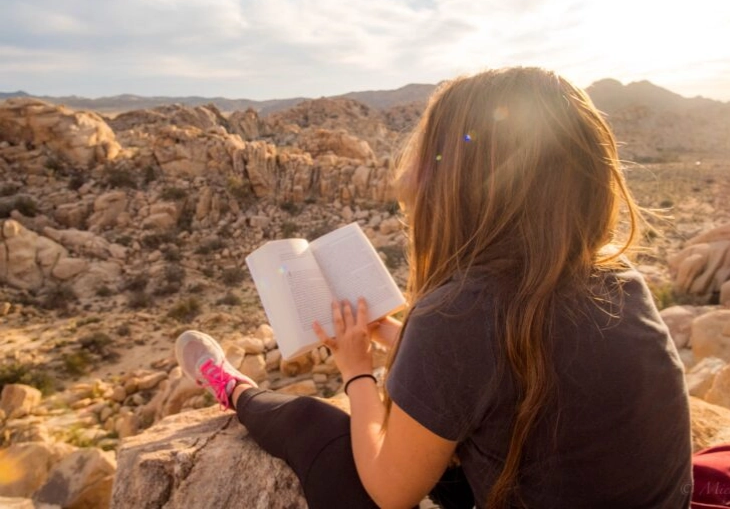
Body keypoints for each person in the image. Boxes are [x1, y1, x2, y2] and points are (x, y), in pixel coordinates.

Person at [176, 67, 692, 509]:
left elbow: (389, 491)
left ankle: (230, 386)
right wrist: (402, 340)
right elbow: (513, 373)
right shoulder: (621, 284)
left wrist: (356, 371)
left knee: (317, 426)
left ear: (459, 188)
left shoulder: (460, 312)